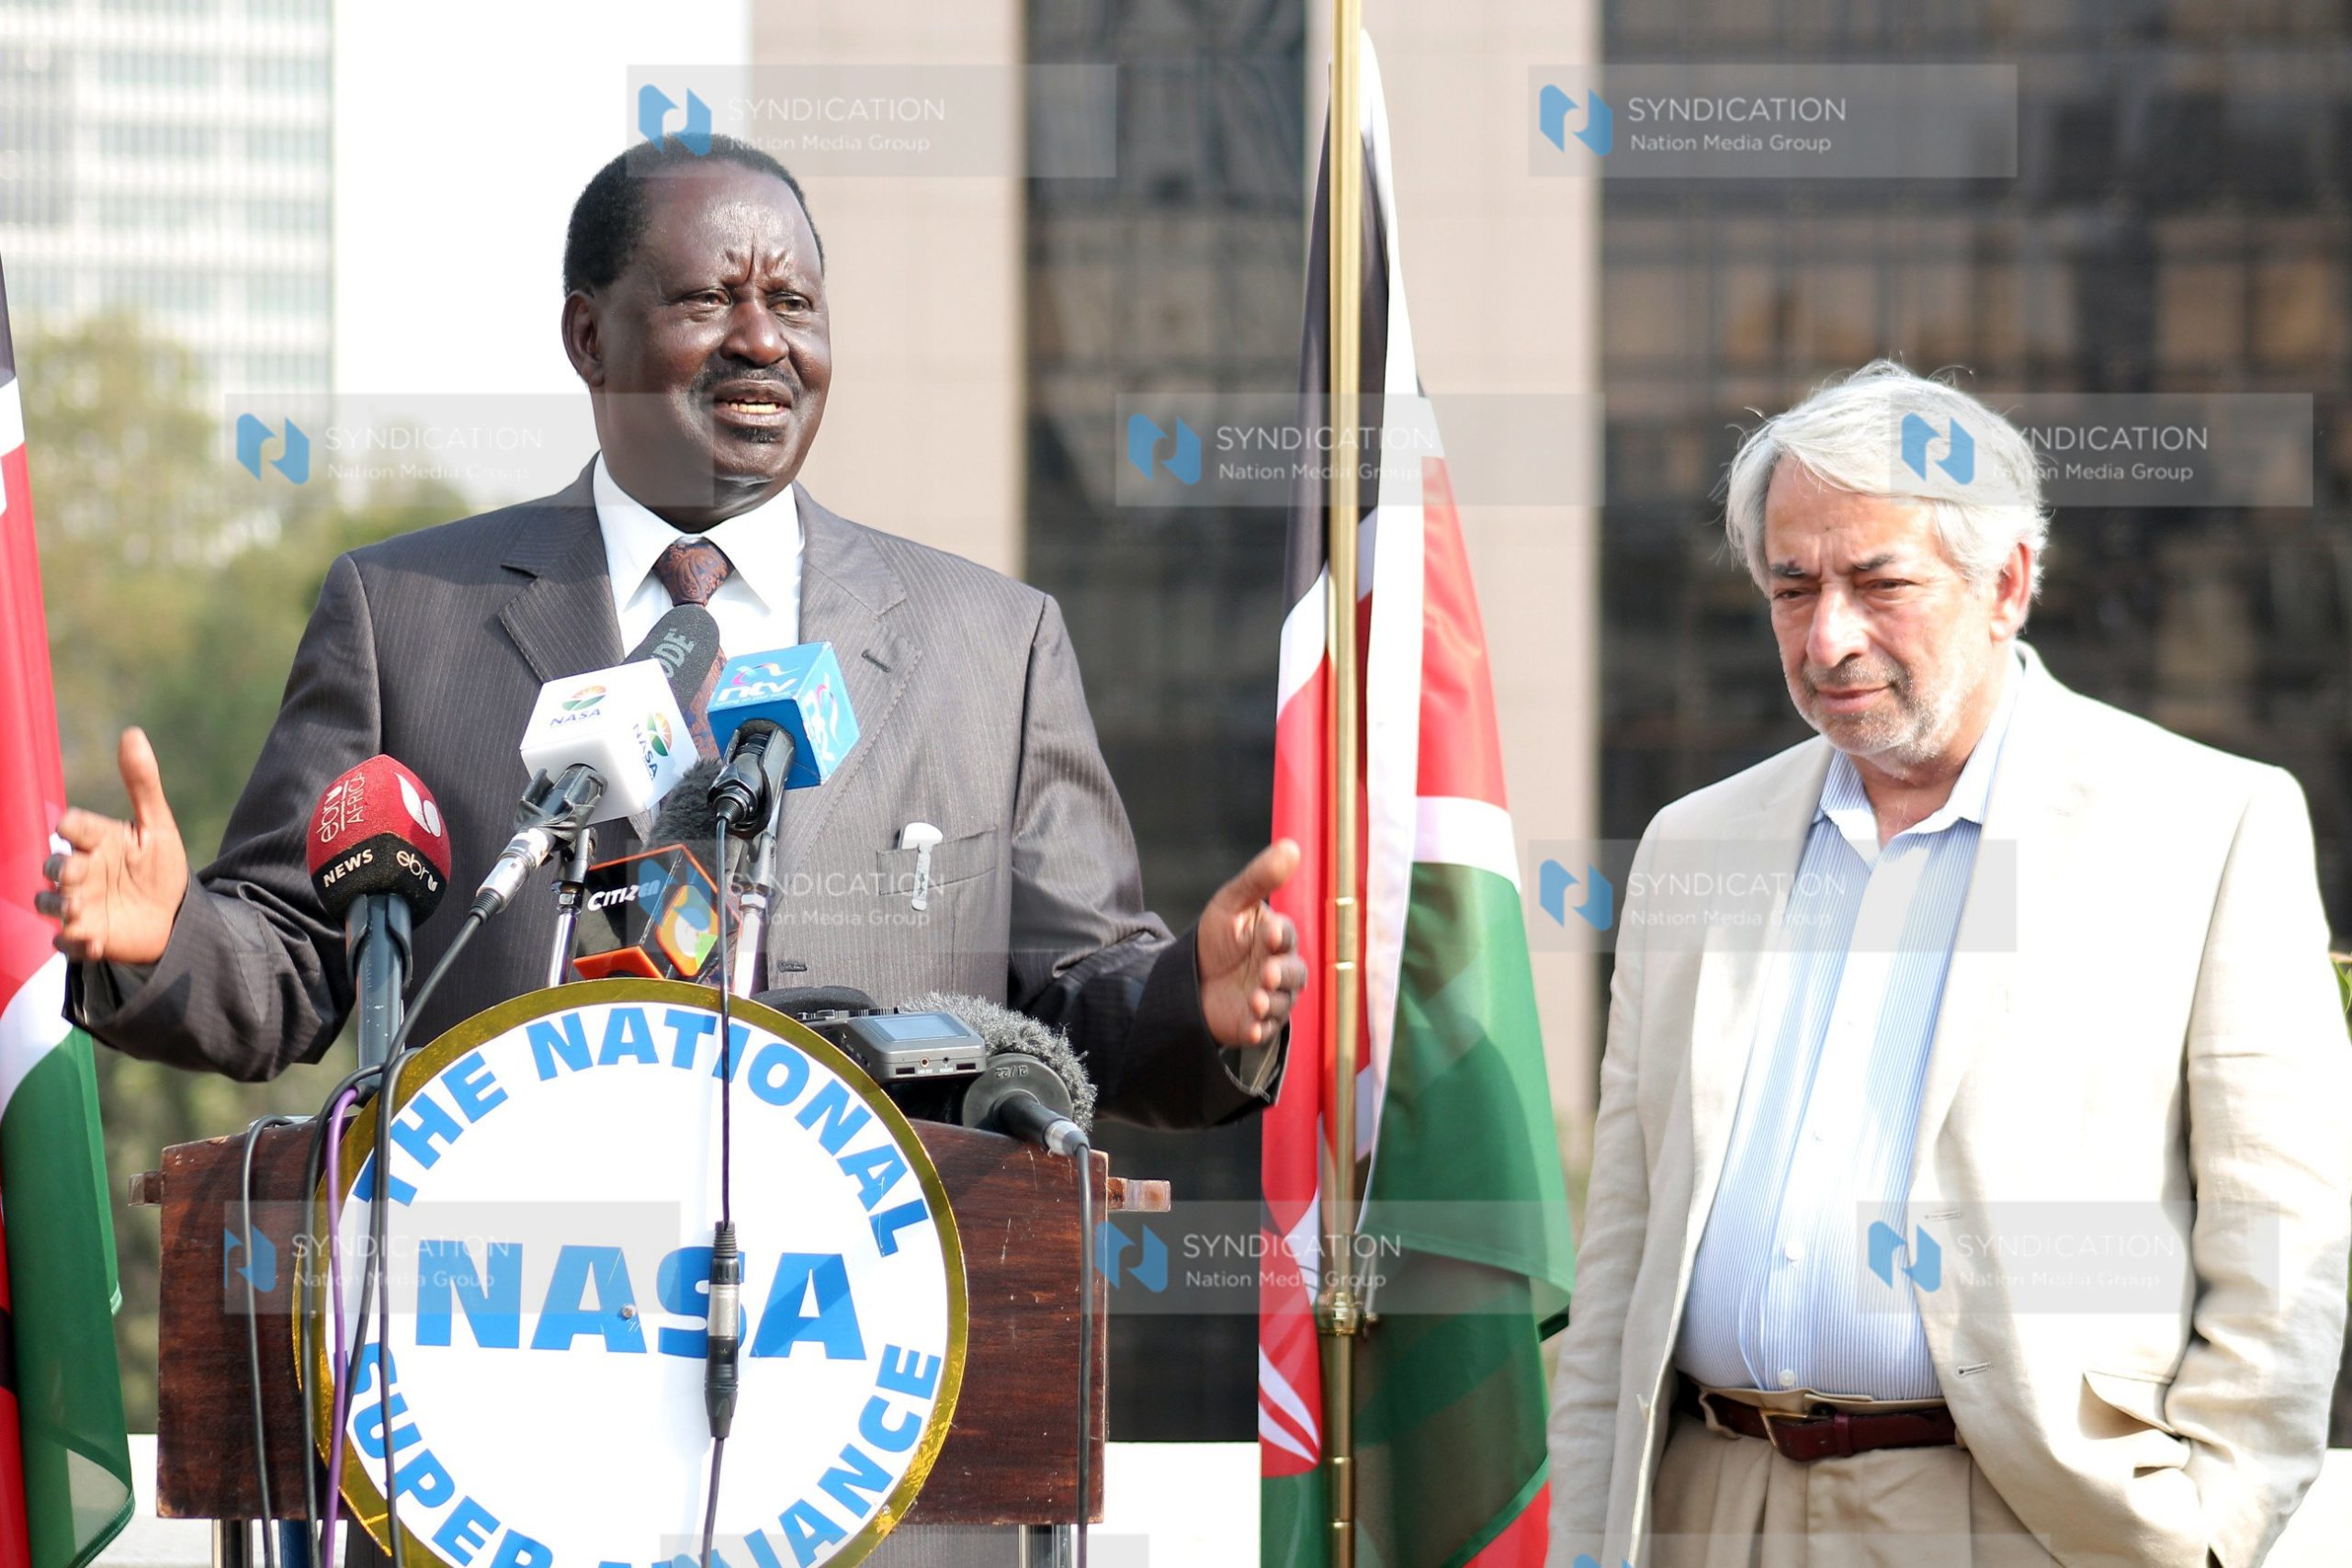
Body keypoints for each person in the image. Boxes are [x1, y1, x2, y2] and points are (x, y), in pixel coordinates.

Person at [38, 136, 1306, 1130]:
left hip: (879, 1343)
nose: (763, 340)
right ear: (591, 336)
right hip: (504, 1323)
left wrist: (1198, 1005)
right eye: (710, 297)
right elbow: (304, 964)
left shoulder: (994, 647)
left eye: (795, 304)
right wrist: (170, 940)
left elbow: (1078, 1000)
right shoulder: (408, 616)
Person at [1545, 361, 2352, 1567]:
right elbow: (1622, 1252)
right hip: (1713, 1512)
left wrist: (2209, 1535)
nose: (1829, 636)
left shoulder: (2204, 824)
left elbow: (2281, 1227)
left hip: (2024, 1521)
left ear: (2008, 583)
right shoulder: (1691, 847)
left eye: (1880, 583)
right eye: (1792, 586)